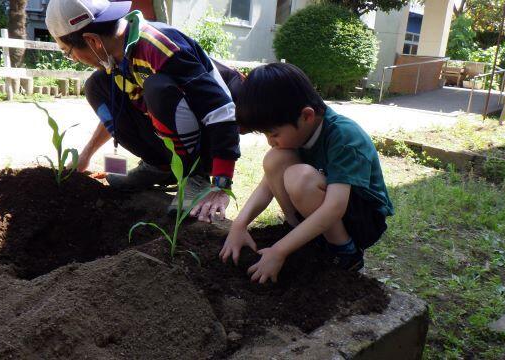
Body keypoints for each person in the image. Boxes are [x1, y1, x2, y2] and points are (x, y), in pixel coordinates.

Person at [45, 0, 242, 222]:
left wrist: (222, 183)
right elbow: (118, 111)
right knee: (97, 85)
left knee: (158, 89)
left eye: (68, 52)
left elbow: (222, 111)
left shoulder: (161, 48)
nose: (74, 59)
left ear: (92, 41)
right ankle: (160, 166)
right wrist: (86, 155)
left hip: (205, 139)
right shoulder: (116, 56)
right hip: (174, 135)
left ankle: (194, 176)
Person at [219, 63, 394, 283]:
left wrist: (279, 251)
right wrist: (239, 225)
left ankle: (345, 252)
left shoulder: (345, 137)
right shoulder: (301, 131)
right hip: (329, 206)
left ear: (307, 116)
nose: (270, 141)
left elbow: (335, 206)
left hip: (361, 218)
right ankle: (302, 235)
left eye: (273, 133)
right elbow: (267, 185)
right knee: (275, 159)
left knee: (300, 178)